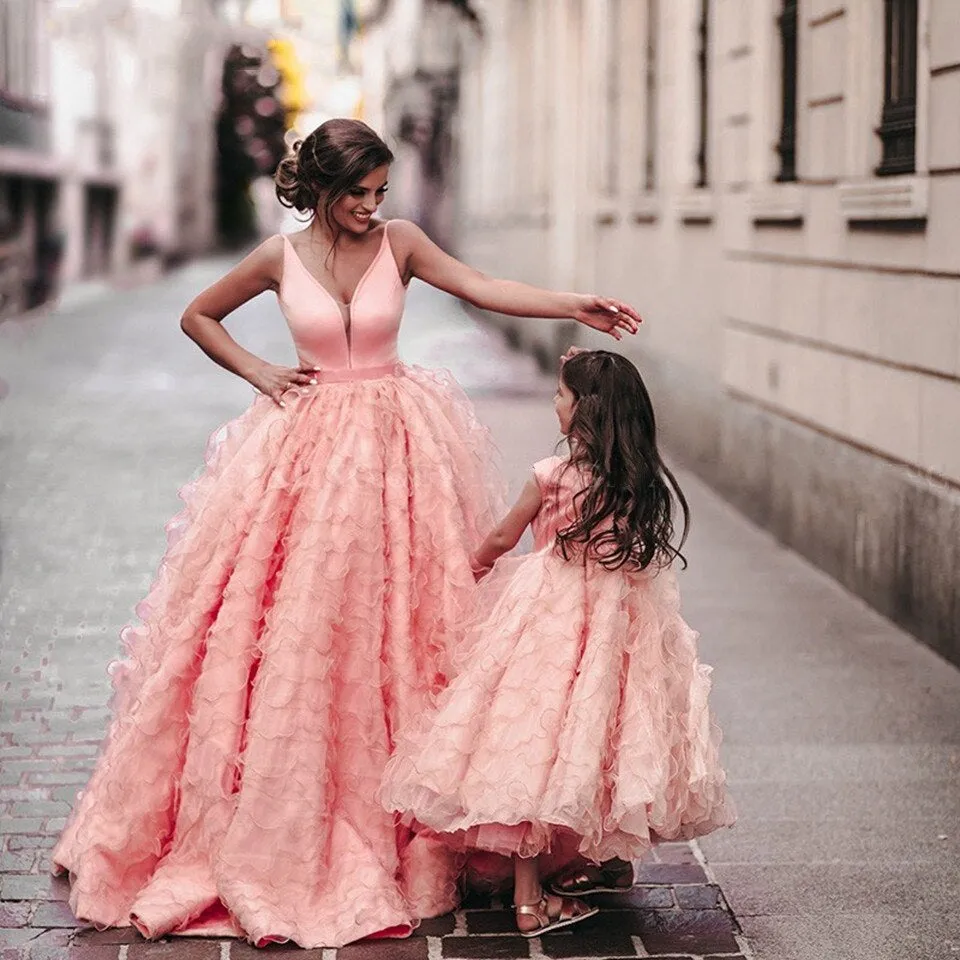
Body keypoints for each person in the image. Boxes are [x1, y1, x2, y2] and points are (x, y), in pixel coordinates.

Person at [50, 119, 641, 949]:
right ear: (321, 191)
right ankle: (290, 816)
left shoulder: (401, 243)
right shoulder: (274, 257)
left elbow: (479, 286)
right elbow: (197, 315)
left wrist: (569, 302)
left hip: (400, 450)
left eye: (379, 193)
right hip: (307, 452)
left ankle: (416, 816)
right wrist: (261, 372)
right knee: (298, 629)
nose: (371, 207)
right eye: (357, 194)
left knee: (404, 626)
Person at [380, 348, 736, 937]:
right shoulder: (638, 483)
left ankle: (528, 900)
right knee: (601, 739)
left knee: (531, 743)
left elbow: (502, 535)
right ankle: (599, 864)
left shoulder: (553, 476)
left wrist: (468, 567)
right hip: (620, 623)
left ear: (584, 412)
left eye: (561, 396)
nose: (555, 403)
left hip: (546, 617)